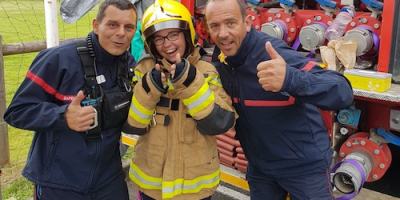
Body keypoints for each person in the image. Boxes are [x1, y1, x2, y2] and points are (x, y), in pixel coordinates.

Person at [205, 0, 354, 200]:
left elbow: (342, 91)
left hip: (304, 169)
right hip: (260, 169)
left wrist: (290, 79)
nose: (223, 33)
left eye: (230, 23)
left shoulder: (270, 52)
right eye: (215, 25)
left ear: (247, 23)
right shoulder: (221, 59)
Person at [3, 0, 138, 199]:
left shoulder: (128, 64)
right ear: (95, 25)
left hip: (109, 180)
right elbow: (17, 112)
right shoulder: (59, 60)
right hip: (60, 183)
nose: (121, 33)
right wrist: (63, 116)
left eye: (128, 27)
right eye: (112, 24)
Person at [121, 0, 237, 199]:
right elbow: (133, 125)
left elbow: (221, 122)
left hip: (194, 188)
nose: (167, 44)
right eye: (158, 38)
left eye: (173, 34)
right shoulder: (144, 70)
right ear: (150, 43)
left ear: (187, 34)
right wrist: (149, 88)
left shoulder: (206, 71)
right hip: (151, 185)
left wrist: (192, 83)